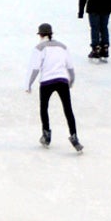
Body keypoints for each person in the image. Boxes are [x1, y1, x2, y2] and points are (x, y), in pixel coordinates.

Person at [25, 22, 83, 152]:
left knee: (44, 108)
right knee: (68, 109)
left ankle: (46, 135)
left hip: (46, 81)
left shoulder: (39, 48)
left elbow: (35, 69)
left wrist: (29, 84)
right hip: (62, 80)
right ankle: (74, 136)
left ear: (40, 35)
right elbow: (70, 67)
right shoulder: (63, 47)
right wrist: (71, 80)